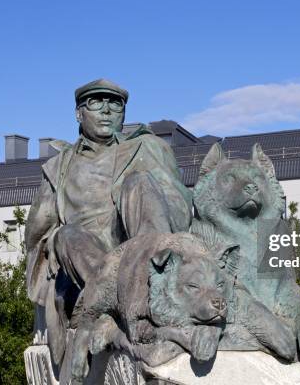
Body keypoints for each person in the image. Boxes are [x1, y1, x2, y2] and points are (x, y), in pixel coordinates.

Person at [25, 78, 192, 365]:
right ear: (79, 113)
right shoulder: (58, 167)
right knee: (67, 235)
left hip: (139, 254)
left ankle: (153, 297)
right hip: (86, 261)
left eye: (115, 103)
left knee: (139, 182)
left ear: (123, 113)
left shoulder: (146, 147)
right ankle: (120, 306)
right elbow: (36, 233)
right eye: (96, 102)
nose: (106, 110)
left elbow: (178, 209)